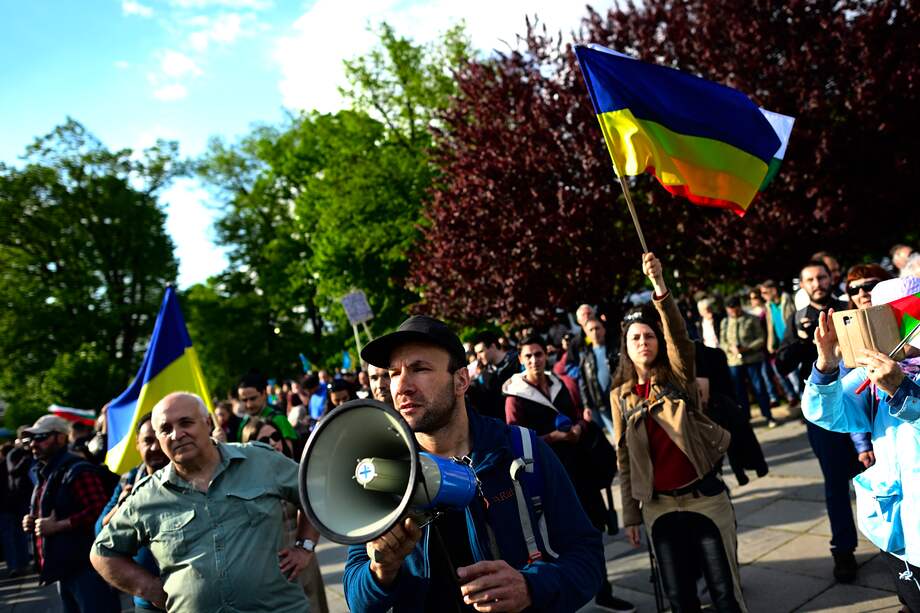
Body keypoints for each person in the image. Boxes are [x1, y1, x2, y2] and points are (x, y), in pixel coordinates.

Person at [345, 315, 604, 612]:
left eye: (420, 369)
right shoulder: (382, 474)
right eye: (393, 373)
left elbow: (588, 556)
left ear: (461, 380)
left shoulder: (522, 450)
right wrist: (380, 571)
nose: (401, 386)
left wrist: (532, 586)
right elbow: (356, 597)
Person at [90, 392, 317, 612]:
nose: (177, 435)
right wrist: (150, 588)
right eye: (165, 430)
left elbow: (312, 493)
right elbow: (102, 552)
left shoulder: (259, 460)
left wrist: (305, 547)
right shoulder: (146, 496)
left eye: (186, 423)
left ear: (208, 423)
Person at [612, 253, 746, 612]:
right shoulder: (620, 397)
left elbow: (679, 339)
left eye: (650, 336)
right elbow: (624, 459)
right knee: (679, 598)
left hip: (705, 498)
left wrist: (659, 287)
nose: (644, 342)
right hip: (659, 507)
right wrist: (631, 516)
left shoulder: (678, 378)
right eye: (635, 337)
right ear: (626, 347)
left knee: (725, 593)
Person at [804, 277, 920, 611]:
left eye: (897, 319)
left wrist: (902, 389)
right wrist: (826, 365)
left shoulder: (894, 373)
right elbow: (827, 413)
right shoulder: (874, 375)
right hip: (898, 527)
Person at [504, 335, 634, 612]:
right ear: (520, 360)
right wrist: (552, 438)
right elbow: (514, 440)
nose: (534, 360)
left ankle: (604, 591)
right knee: (553, 541)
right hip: (544, 479)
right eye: (528, 356)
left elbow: (577, 415)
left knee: (591, 531)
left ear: (546, 355)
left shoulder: (560, 383)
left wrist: (578, 429)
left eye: (538, 354)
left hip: (579, 471)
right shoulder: (514, 396)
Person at [777, 259, 860, 582]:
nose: (817, 283)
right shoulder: (797, 319)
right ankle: (844, 550)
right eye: (809, 279)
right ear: (803, 285)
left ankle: (891, 545)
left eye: (821, 277)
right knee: (835, 482)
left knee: (875, 476)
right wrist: (803, 340)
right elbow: (782, 364)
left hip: (858, 402)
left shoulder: (847, 308)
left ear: (831, 278)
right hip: (823, 414)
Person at [21, 415, 121, 612]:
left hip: (88, 567)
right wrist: (31, 520)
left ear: (61, 438)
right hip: (64, 567)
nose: (33, 444)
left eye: (41, 437)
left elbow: (100, 512)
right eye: (30, 440)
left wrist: (58, 526)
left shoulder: (78, 470)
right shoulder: (46, 471)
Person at [241, 419, 329, 613]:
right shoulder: (242, 484)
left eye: (275, 437)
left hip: (303, 562)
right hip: (271, 570)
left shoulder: (294, 471)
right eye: (264, 439)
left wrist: (305, 548)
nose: (273, 442)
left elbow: (314, 504)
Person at [95, 413, 169, 612]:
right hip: (147, 602)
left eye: (158, 438)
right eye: (147, 440)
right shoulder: (129, 480)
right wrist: (122, 507)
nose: (154, 447)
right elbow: (99, 532)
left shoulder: (189, 477)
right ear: (137, 444)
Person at [841, 263, 894, 470]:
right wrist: (862, 445)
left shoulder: (909, 321)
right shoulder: (849, 333)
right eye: (854, 289)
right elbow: (851, 395)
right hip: (881, 430)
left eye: (870, 285)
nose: (862, 294)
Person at [720, 295, 777, 428]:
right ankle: (746, 418)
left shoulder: (751, 319)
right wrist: (730, 348)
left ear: (739, 307)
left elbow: (761, 338)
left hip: (752, 359)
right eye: (729, 310)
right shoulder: (725, 322)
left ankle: (768, 415)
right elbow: (722, 341)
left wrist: (747, 348)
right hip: (734, 362)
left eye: (734, 309)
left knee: (759, 388)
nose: (732, 312)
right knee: (740, 392)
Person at [760, 280, 801, 403]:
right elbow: (770, 326)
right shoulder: (768, 306)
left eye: (765, 292)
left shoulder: (788, 301)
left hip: (794, 343)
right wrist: (771, 344)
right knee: (792, 378)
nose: (763, 295)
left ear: (774, 290)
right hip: (782, 347)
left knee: (798, 379)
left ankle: (808, 413)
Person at [577, 317, 617, 435]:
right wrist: (586, 405)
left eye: (597, 328)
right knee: (616, 436)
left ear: (603, 330)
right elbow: (583, 383)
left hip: (620, 398)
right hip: (601, 403)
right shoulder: (585, 356)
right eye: (591, 330)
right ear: (586, 333)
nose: (595, 332)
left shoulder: (615, 349)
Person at [470, 331, 520, 420]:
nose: (478, 357)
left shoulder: (517, 362)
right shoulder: (484, 374)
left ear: (493, 346)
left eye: (481, 351)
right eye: (476, 353)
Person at [236, 372, 298, 443]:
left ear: (264, 394)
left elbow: (290, 452)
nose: (249, 404)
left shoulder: (279, 419)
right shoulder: (244, 423)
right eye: (244, 400)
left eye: (253, 398)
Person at [0, 442, 30, 578]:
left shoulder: (7, 464)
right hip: (16, 502)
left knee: (9, 536)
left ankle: (15, 565)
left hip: (7, 505)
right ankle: (22, 563)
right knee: (18, 534)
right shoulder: (13, 462)